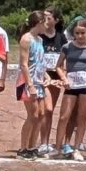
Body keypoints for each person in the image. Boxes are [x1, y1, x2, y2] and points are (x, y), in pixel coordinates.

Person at [13, 10, 59, 159]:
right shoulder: (26, 39)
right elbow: (24, 64)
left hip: (39, 81)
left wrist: (46, 77)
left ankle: (32, 147)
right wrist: (30, 85)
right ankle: (23, 148)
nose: (47, 24)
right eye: (45, 21)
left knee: (41, 114)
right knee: (32, 115)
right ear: (39, 23)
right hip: (28, 82)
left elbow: (41, 62)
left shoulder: (39, 40)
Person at [55, 18, 86, 161]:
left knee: (81, 117)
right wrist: (64, 78)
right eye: (77, 33)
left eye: (82, 33)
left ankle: (76, 148)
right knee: (64, 117)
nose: (80, 36)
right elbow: (58, 66)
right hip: (71, 86)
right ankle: (58, 147)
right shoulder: (67, 47)